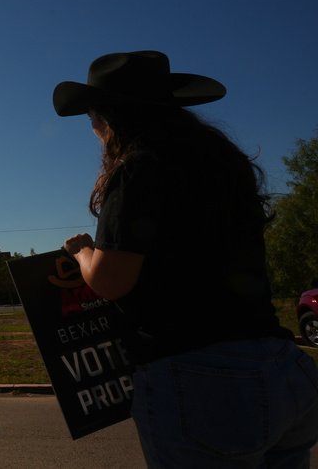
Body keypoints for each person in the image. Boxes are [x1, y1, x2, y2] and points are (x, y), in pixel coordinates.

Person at [55, 50, 318, 468]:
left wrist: (82, 250)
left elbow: (109, 281)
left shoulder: (137, 169)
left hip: (203, 386)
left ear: (110, 117)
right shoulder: (225, 167)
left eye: (92, 118)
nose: (93, 129)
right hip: (283, 368)